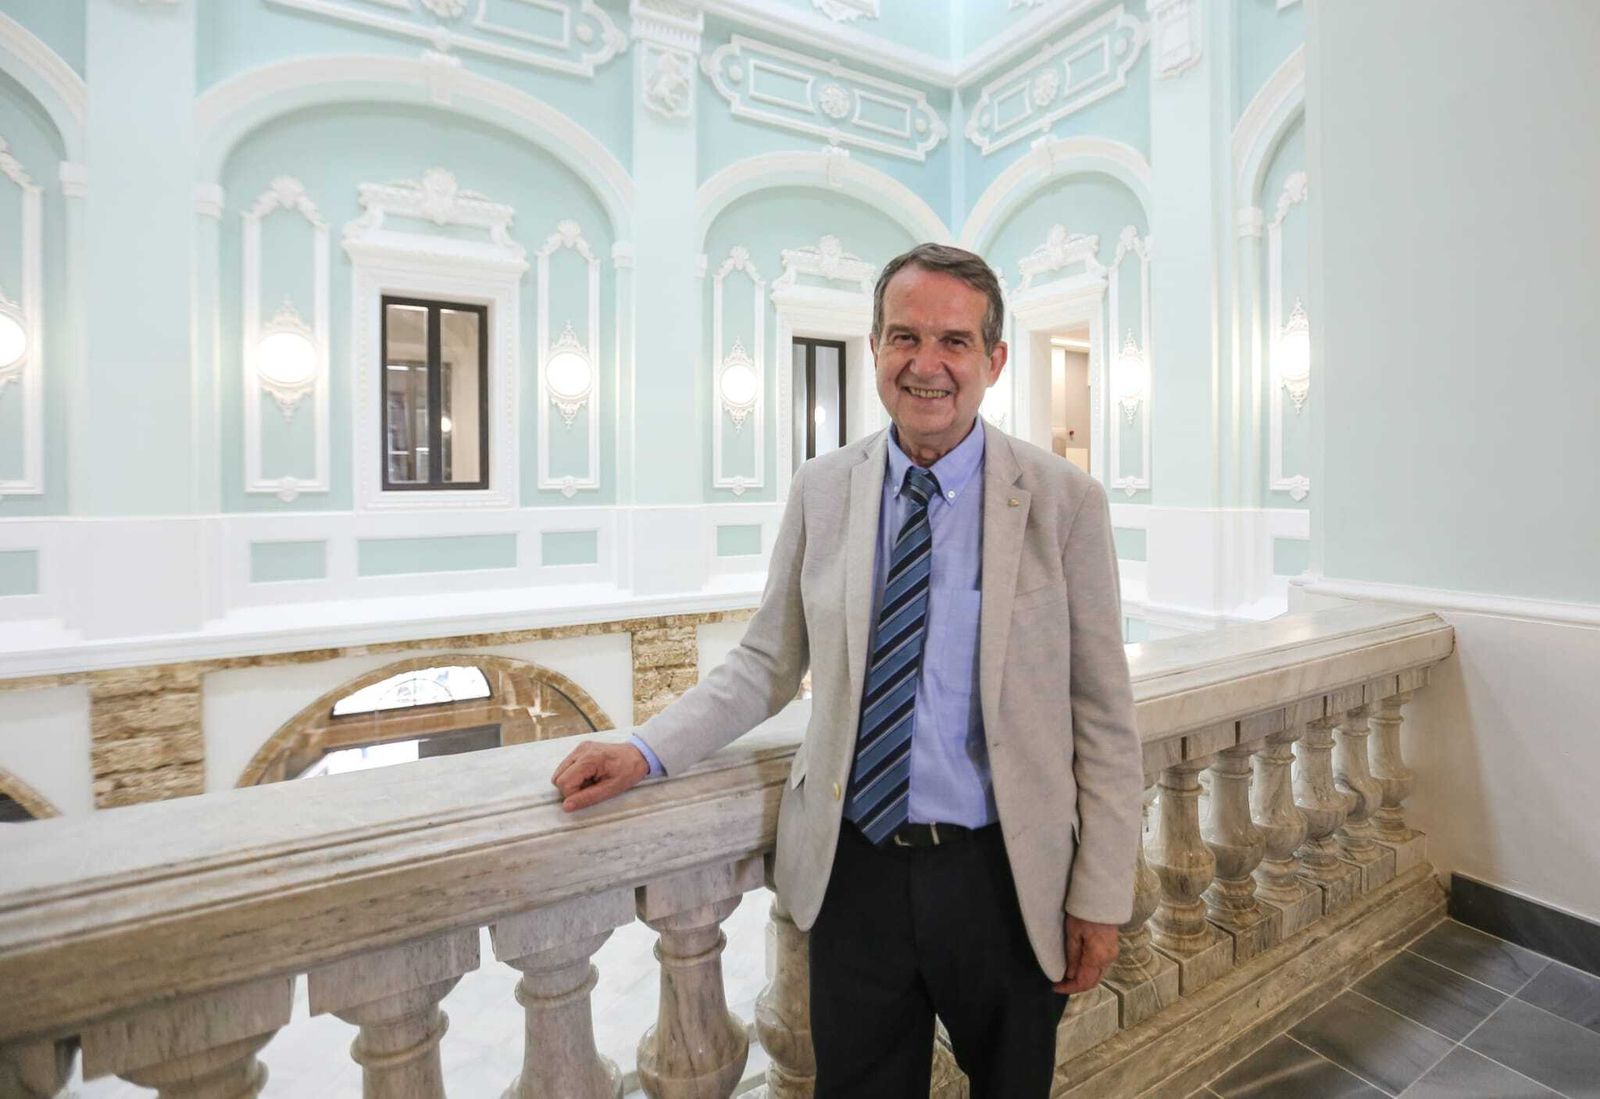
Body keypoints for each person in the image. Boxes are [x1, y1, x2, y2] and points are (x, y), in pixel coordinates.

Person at [552, 243, 1143, 1097]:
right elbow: (765, 660)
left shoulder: (1062, 502)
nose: (926, 363)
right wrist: (645, 749)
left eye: (954, 341)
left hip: (1006, 879)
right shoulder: (824, 488)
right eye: (904, 336)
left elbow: (1104, 715)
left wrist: (1101, 892)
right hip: (854, 869)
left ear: (994, 360)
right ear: (873, 349)